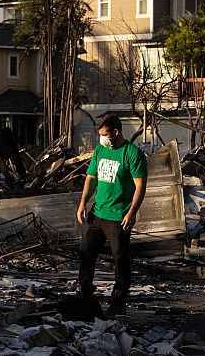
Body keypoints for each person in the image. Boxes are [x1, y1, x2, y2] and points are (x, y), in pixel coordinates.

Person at [76, 113, 148, 315]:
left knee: (120, 257)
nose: (102, 139)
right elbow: (91, 178)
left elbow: (140, 187)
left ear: (116, 132)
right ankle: (84, 291)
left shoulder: (132, 153)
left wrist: (132, 212)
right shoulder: (100, 150)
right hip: (97, 213)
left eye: (105, 134)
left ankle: (118, 298)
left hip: (119, 216)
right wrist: (83, 203)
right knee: (86, 252)